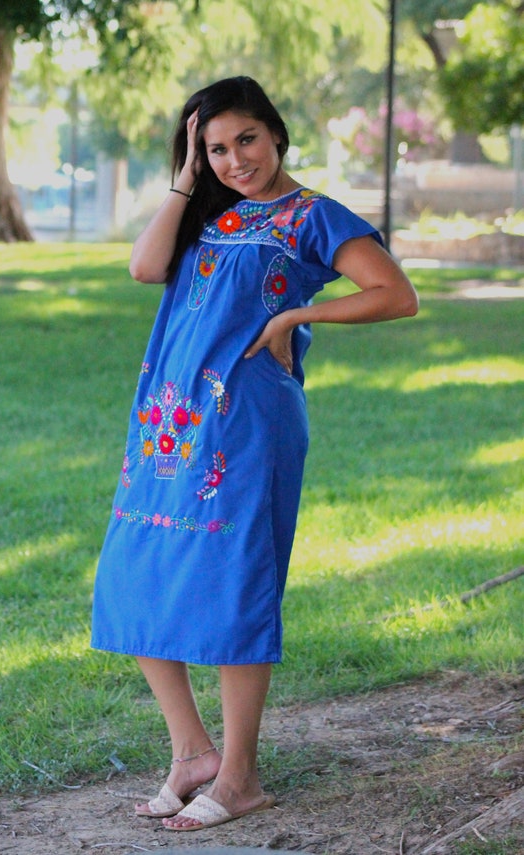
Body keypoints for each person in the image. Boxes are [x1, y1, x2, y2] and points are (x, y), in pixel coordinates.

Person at [91, 76, 418, 832]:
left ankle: (239, 776)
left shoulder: (312, 215)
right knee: (132, 570)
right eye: (214, 147)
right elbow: (145, 268)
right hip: (169, 423)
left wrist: (299, 314)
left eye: (246, 139)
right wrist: (185, 181)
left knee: (234, 582)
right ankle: (191, 752)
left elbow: (396, 293)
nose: (234, 158)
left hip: (248, 421)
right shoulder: (212, 211)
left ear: (276, 134)